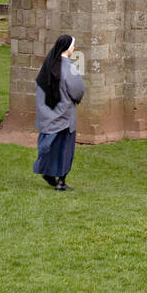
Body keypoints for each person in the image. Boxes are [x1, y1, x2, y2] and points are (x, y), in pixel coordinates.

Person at [33, 34, 85, 191]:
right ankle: (61, 181)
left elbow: (39, 87)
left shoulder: (46, 66)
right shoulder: (70, 68)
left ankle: (47, 171)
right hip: (65, 116)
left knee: (48, 145)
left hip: (47, 113)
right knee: (65, 149)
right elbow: (78, 90)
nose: (74, 48)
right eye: (73, 46)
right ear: (68, 48)